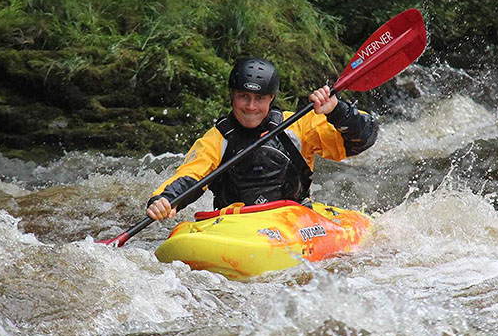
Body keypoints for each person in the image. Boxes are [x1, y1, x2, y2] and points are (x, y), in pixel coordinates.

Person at [145, 56, 378, 220]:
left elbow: (363, 140)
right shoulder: (217, 139)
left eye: (260, 98)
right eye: (243, 96)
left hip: (294, 219)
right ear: (232, 96)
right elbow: (189, 175)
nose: (250, 106)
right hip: (237, 223)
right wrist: (165, 199)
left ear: (272, 98)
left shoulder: (298, 125)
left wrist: (337, 110)